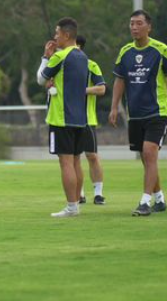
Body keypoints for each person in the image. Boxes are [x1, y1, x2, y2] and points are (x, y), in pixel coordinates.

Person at [109, 10, 167, 217]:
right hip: (135, 114)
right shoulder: (125, 52)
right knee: (146, 158)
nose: (134, 27)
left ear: (149, 27)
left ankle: (144, 202)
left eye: (139, 24)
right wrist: (114, 107)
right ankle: (159, 199)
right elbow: (119, 80)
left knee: (149, 153)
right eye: (131, 23)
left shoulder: (160, 49)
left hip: (157, 112)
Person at [36, 18, 89, 218]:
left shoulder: (61, 57)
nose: (55, 36)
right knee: (76, 162)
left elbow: (41, 78)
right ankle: (76, 203)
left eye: (57, 33)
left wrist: (45, 57)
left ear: (67, 35)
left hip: (61, 118)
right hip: (80, 118)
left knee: (65, 163)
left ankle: (71, 207)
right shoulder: (83, 56)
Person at [75, 35, 107, 205]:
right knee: (73, 158)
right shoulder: (61, 65)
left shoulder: (91, 65)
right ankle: (79, 194)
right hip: (67, 120)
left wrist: (81, 90)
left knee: (92, 156)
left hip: (87, 119)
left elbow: (102, 88)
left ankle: (98, 193)